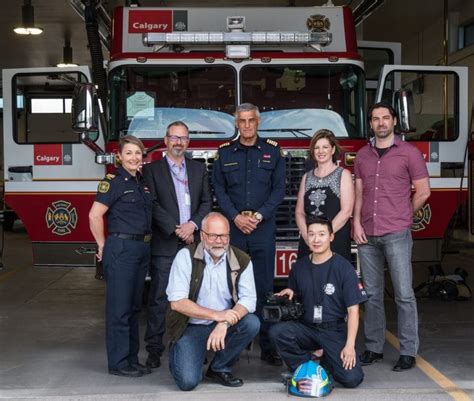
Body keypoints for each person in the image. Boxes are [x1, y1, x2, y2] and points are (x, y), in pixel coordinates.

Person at [353, 102, 431, 371]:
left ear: (394, 121)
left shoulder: (409, 153)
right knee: (372, 295)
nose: (381, 123)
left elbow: (423, 191)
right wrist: (356, 223)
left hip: (396, 232)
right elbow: (359, 193)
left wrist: (404, 216)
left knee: (403, 294)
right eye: (376, 119)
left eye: (386, 118)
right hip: (368, 234)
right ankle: (374, 347)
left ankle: (408, 351)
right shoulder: (362, 155)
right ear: (371, 123)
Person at [212, 103, 286, 366]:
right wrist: (235, 217)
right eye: (241, 121)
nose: (246, 125)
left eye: (250, 121)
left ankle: (268, 347)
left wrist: (257, 217)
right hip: (234, 230)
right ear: (236, 124)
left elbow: (279, 190)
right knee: (229, 288)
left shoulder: (272, 152)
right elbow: (218, 190)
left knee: (265, 288)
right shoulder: (224, 153)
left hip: (262, 229)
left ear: (258, 122)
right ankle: (232, 344)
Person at [143, 121, 212, 369]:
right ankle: (154, 348)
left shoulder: (198, 169)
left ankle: (190, 346)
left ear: (188, 142)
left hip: (193, 242)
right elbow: (152, 204)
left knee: (195, 296)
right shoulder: (151, 170)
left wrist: (192, 225)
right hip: (166, 243)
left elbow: (207, 202)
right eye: (174, 137)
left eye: (183, 138)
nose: (178, 142)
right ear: (166, 140)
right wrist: (177, 229)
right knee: (161, 297)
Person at [166, 212, 260, 391]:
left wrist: (223, 322)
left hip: (223, 325)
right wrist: (218, 315)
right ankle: (181, 351)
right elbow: (177, 302)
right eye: (214, 236)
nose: (220, 241)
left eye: (224, 236)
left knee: (251, 323)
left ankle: (219, 367)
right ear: (202, 235)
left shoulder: (241, 260)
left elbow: (249, 300)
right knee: (187, 382)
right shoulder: (185, 256)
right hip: (191, 326)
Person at [269, 216, 367, 388]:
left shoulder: (344, 268)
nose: (316, 239)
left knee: (352, 379)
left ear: (331, 237)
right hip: (307, 328)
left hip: (334, 330)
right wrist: (289, 293)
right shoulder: (298, 267)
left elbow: (353, 311)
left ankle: (327, 360)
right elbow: (295, 296)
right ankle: (310, 368)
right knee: (278, 332)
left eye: (321, 234)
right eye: (311, 234)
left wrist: (350, 346)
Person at [88, 135, 152, 377]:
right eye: (129, 153)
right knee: (119, 309)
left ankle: (132, 359)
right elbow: (94, 216)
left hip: (141, 249)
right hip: (122, 249)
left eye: (138, 153)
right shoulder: (112, 182)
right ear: (119, 157)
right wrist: (102, 245)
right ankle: (118, 363)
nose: (134, 157)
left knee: (135, 308)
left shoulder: (142, 183)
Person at [295, 129, 354, 262]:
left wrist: (325, 235)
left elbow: (346, 211)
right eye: (317, 148)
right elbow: (299, 212)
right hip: (310, 242)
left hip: (335, 238)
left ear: (332, 150)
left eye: (325, 147)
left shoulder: (343, 174)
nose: (320, 151)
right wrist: (307, 235)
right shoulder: (306, 177)